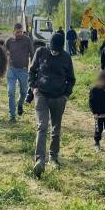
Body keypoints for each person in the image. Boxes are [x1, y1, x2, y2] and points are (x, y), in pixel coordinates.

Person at [27, 31, 76, 177]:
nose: (54, 53)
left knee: (55, 129)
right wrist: (34, 88)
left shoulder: (66, 57)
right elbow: (32, 71)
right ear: (50, 46)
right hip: (41, 94)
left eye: (57, 51)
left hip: (58, 97)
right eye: (52, 50)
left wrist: (66, 96)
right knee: (42, 126)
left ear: (61, 48)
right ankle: (40, 160)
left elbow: (71, 79)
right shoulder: (41, 52)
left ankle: (53, 158)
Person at [4, 23, 34, 121]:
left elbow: (32, 54)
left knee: (24, 92)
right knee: (11, 92)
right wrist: (6, 54)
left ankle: (20, 104)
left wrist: (33, 67)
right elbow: (3, 52)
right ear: (13, 32)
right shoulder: (9, 41)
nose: (20, 34)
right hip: (11, 69)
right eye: (17, 32)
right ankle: (12, 115)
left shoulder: (27, 40)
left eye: (21, 32)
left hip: (23, 70)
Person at [89, 72, 105, 151]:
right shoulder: (94, 90)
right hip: (98, 114)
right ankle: (97, 143)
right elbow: (91, 102)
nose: (103, 82)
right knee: (98, 129)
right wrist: (94, 112)